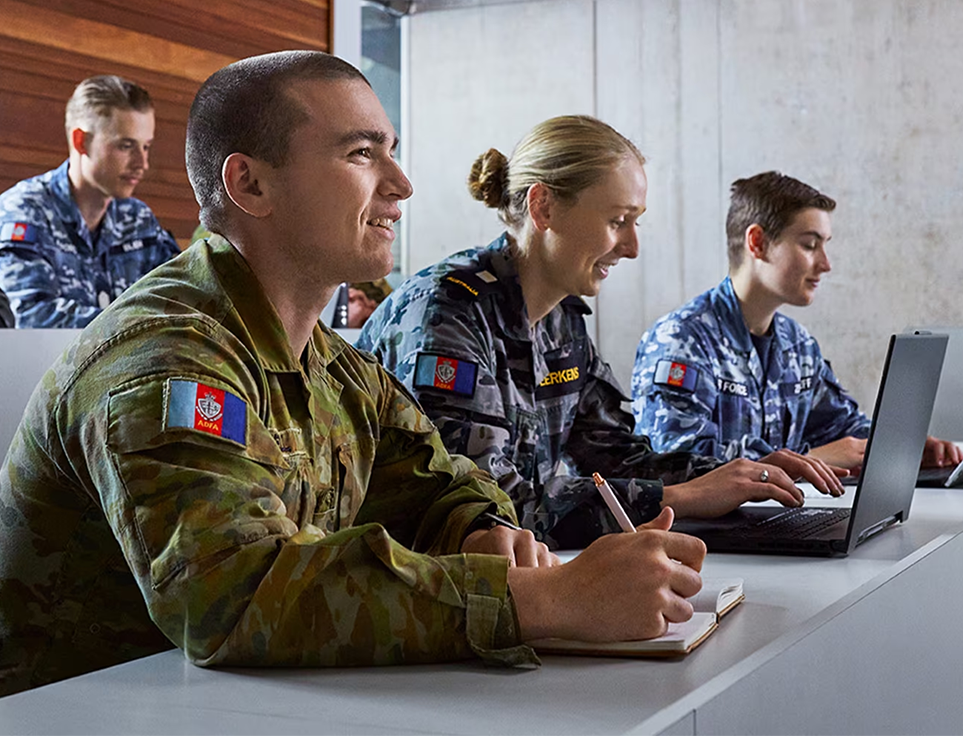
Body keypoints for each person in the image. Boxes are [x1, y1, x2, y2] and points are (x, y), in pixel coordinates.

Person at [0, 52, 708, 697]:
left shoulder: (331, 363)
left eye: (391, 152)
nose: (400, 183)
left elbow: (440, 482)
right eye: (361, 154)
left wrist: (484, 532)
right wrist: (545, 601)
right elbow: (232, 596)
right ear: (249, 183)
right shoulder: (165, 358)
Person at [357, 117, 844, 550]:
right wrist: (678, 498)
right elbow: (483, 508)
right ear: (543, 207)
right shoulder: (448, 311)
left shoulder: (561, 318)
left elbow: (615, 455)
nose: (630, 247)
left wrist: (738, 476)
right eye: (618, 221)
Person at [630, 171, 963, 475]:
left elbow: (840, 428)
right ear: (757, 243)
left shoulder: (797, 344)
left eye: (824, 246)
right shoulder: (681, 340)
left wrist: (901, 445)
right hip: (704, 535)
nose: (825, 264)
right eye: (809, 245)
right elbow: (675, 460)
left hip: (778, 519)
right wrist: (810, 460)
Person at [0, 75, 179, 328]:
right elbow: (31, 317)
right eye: (126, 146)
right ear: (81, 141)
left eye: (146, 147)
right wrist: (139, 326)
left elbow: (182, 299)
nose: (142, 164)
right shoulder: (23, 211)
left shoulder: (138, 219)